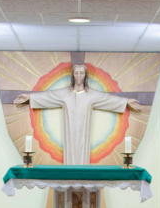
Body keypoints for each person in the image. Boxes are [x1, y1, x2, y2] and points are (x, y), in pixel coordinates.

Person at [14, 64, 142, 165]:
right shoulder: (65, 93)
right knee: (70, 154)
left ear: (85, 75)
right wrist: (29, 97)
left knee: (82, 154)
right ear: (73, 75)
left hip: (84, 134)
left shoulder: (91, 94)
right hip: (69, 133)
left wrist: (126, 102)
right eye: (76, 73)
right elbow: (49, 96)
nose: (79, 76)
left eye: (81, 73)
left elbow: (107, 99)